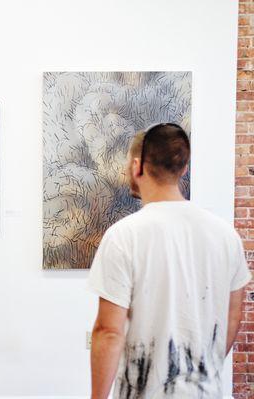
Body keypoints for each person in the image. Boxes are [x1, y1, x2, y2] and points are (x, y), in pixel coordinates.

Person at [88, 123, 251, 398]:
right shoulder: (225, 235)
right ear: (183, 168)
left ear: (137, 167)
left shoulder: (123, 236)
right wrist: (203, 369)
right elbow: (234, 313)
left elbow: (108, 332)